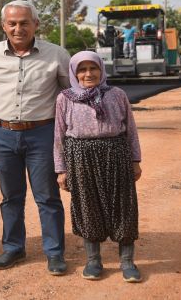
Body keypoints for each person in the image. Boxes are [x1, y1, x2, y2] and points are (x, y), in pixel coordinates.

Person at [0, 0, 71, 276]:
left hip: (43, 133)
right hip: (0, 134)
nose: (18, 28)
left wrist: (69, 136)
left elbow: (70, 95)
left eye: (24, 22)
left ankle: (54, 253)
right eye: (12, 23)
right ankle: (13, 247)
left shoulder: (57, 55)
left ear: (36, 24)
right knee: (10, 195)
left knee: (47, 196)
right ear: (3, 25)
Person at [54, 51, 143, 282]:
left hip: (116, 153)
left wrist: (135, 161)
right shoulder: (65, 98)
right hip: (80, 156)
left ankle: (127, 261)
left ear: (101, 69)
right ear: (74, 73)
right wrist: (61, 169)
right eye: (82, 69)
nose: (88, 74)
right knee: (87, 205)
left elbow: (131, 130)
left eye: (92, 68)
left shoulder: (117, 94)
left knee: (123, 206)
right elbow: (59, 136)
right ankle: (93, 261)